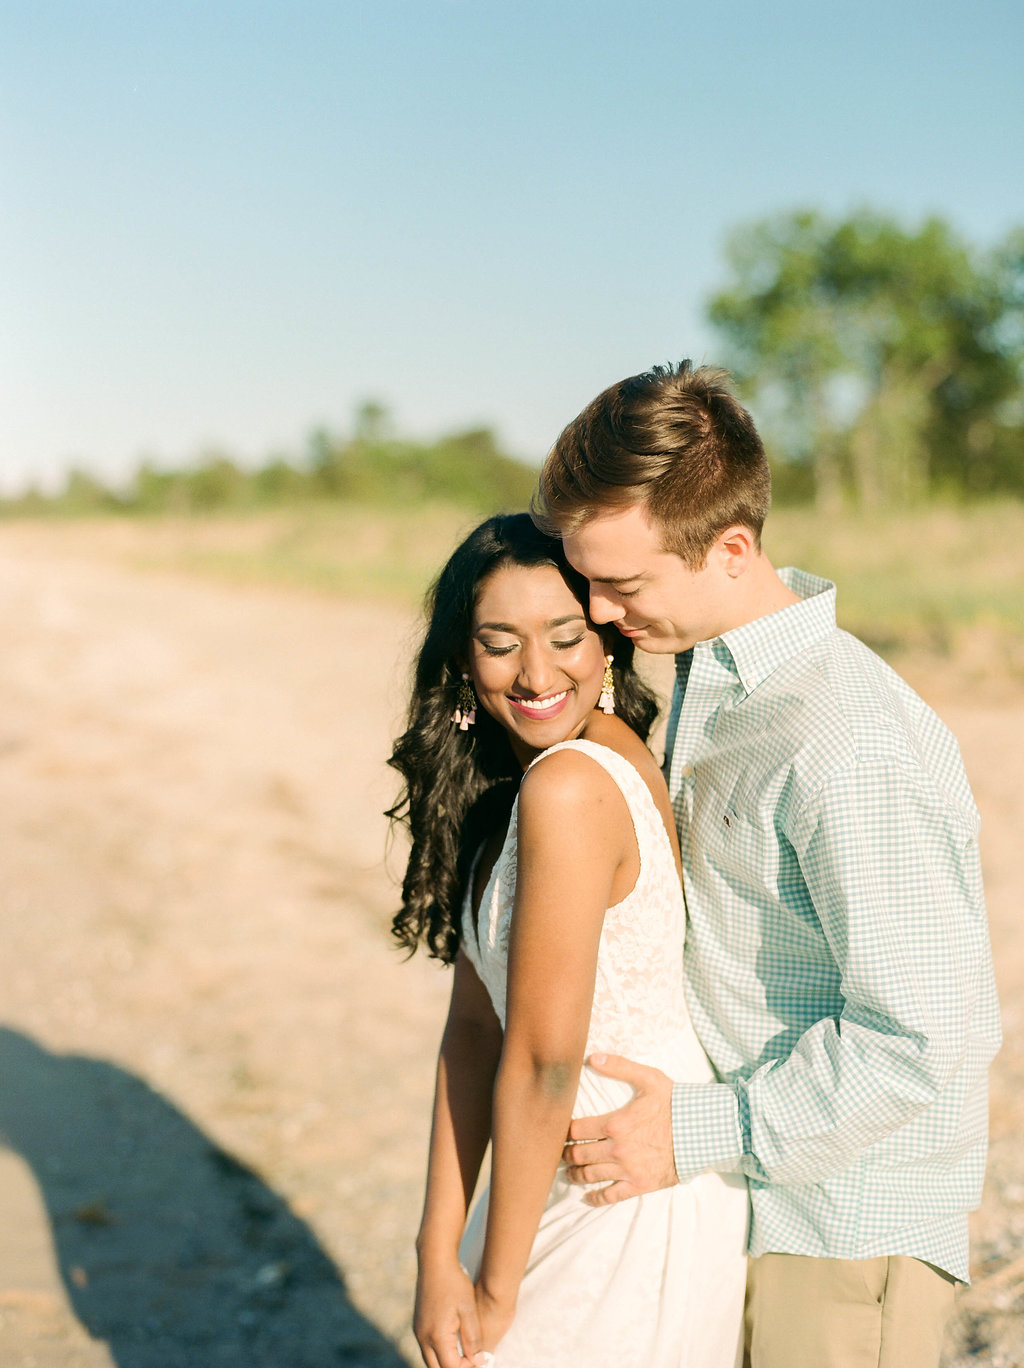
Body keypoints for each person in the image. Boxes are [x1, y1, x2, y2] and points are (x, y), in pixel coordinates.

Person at [531, 361, 1002, 1368]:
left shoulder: (846, 741)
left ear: (730, 548)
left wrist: (698, 1129)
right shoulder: (706, 676)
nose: (602, 613)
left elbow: (924, 1035)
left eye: (624, 583)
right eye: (588, 582)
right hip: (747, 1194)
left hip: (841, 1226)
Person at [388, 513, 748, 1368]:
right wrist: (437, 1251)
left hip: (614, 1188)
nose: (537, 672)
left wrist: (494, 1287)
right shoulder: (518, 789)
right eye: (500, 641)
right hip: (543, 1168)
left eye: (566, 636)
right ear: (462, 659)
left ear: (609, 646)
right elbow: (475, 1033)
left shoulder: (572, 785)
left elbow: (548, 1058)